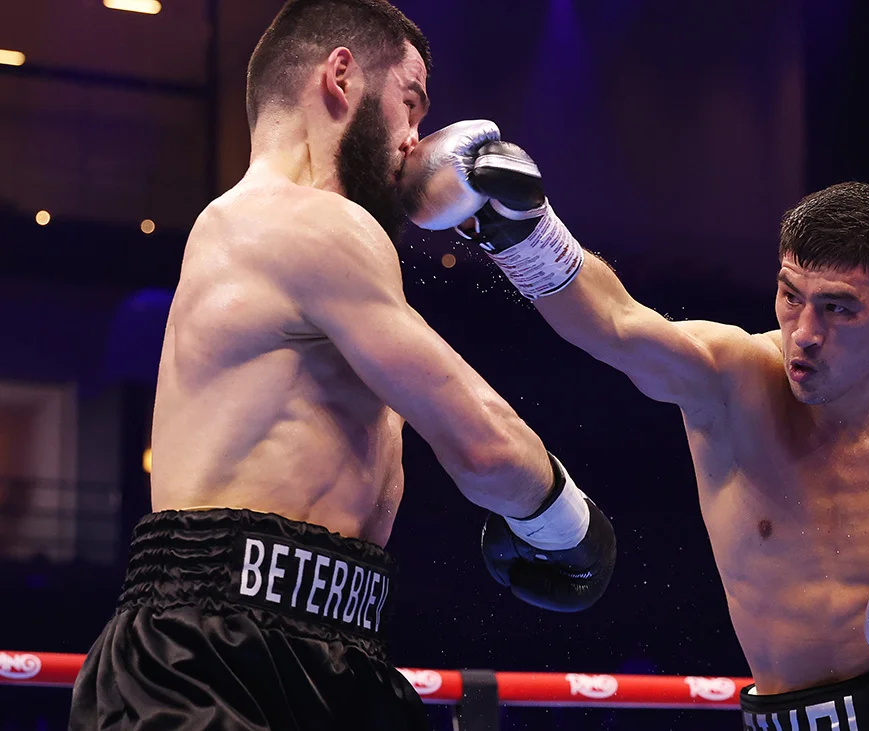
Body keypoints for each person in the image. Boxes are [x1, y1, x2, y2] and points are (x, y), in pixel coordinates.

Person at [68, 3, 616, 730]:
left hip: (331, 646)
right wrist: (570, 524)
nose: (415, 140)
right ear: (340, 76)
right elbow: (484, 445)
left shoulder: (255, 228)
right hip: (205, 656)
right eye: (410, 103)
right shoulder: (307, 223)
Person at [402, 126, 869, 730]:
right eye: (791, 295)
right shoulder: (735, 385)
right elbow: (618, 326)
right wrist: (522, 232)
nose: (805, 335)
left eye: (838, 309)